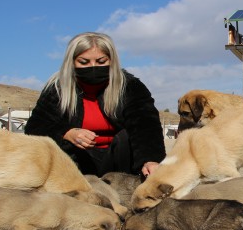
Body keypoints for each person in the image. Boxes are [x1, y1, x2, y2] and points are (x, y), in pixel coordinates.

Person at [25, 32, 166, 177]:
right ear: (72, 62)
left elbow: (146, 125)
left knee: (125, 137)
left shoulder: (130, 86)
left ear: (112, 61)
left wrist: (150, 160)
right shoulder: (57, 89)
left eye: (101, 61)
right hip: (76, 160)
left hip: (118, 161)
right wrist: (67, 133)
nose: (93, 67)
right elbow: (35, 127)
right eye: (84, 62)